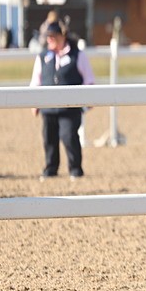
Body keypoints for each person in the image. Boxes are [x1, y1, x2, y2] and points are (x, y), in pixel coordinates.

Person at [30, 21, 95, 180]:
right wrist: (34, 103)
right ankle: (50, 169)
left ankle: (75, 169)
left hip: (70, 108)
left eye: (53, 36)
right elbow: (36, 81)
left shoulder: (77, 55)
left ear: (62, 36)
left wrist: (87, 103)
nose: (50, 39)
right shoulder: (43, 57)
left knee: (69, 136)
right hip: (48, 108)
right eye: (48, 37)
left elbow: (89, 80)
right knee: (49, 138)